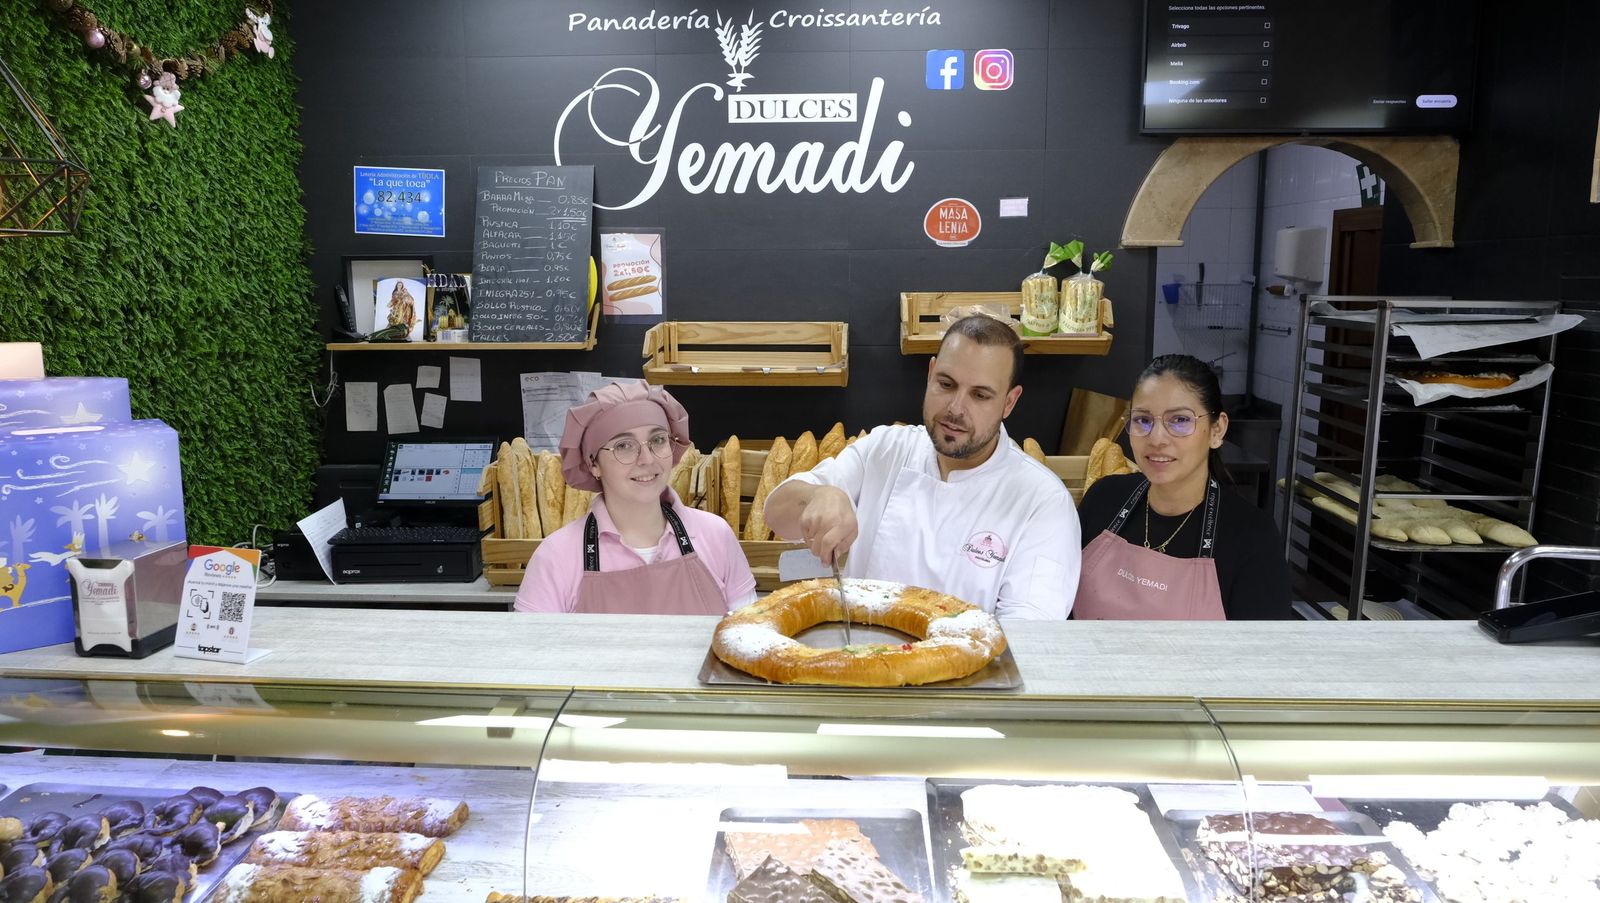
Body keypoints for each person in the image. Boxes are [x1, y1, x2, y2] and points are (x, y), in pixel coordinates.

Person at [763, 315, 1080, 618]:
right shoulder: (885, 449)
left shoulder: (1043, 501)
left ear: (1009, 402)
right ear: (930, 375)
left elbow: (1030, 634)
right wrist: (819, 495)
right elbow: (777, 516)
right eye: (946, 384)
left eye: (980, 395)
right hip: (861, 663)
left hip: (969, 671)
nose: (956, 409)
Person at [1074, 354, 1292, 619]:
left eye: (1179, 420)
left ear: (1217, 430)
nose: (1157, 439)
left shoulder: (1251, 536)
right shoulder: (1103, 499)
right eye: (1143, 420)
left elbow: (1262, 652)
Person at [514, 382, 756, 614]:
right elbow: (533, 653)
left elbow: (748, 640)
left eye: (658, 440)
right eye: (624, 446)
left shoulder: (715, 535)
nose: (647, 459)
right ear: (593, 463)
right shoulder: (556, 556)